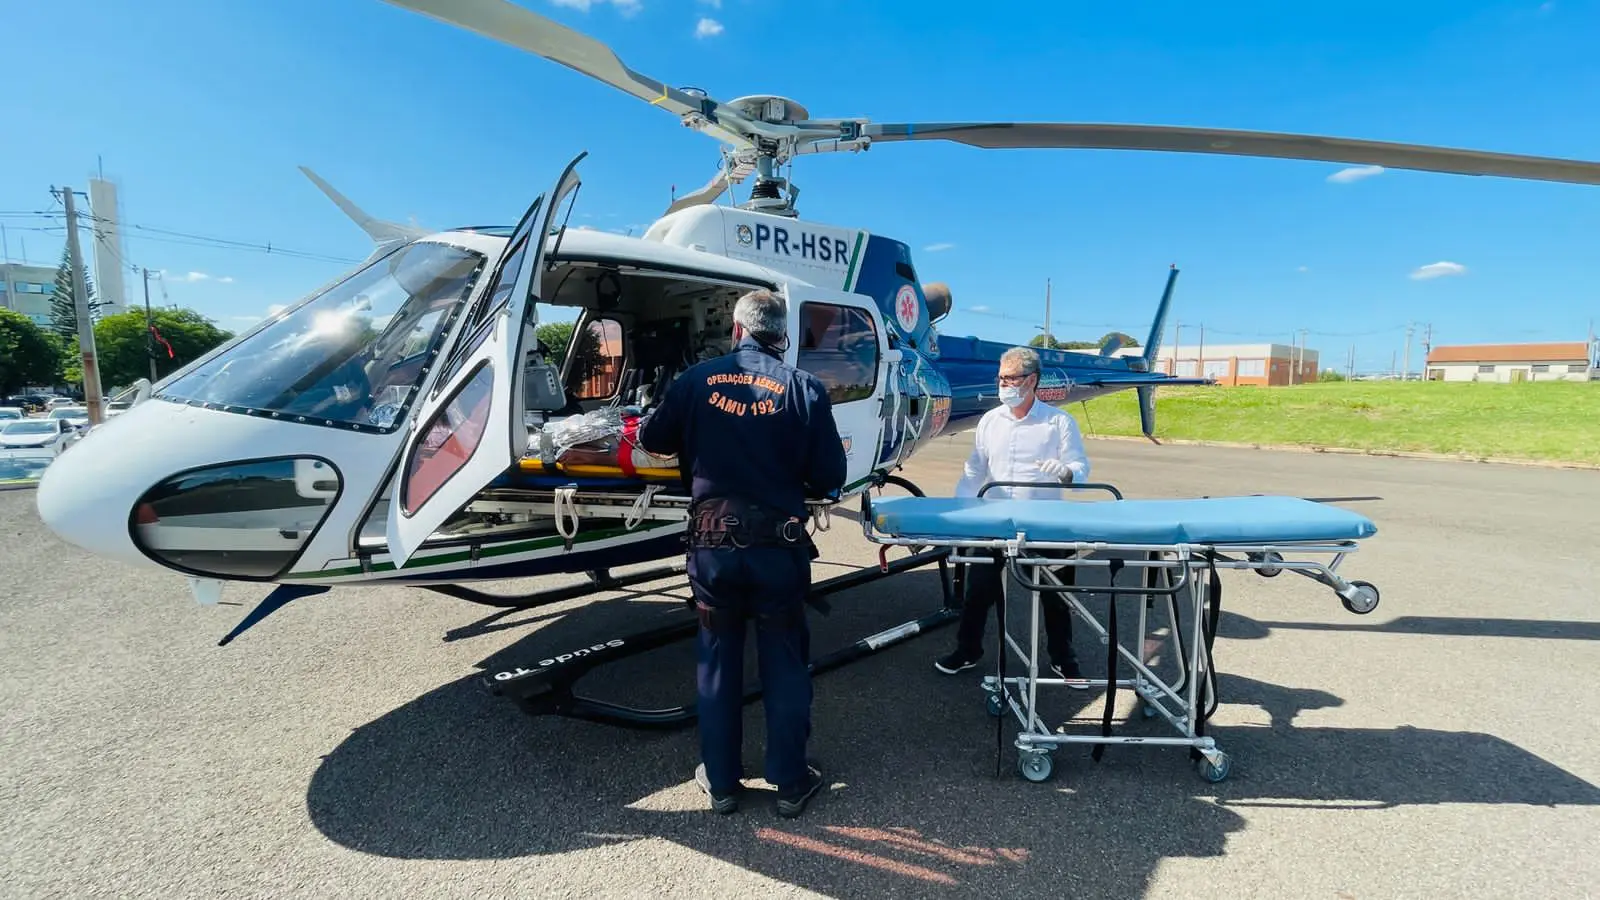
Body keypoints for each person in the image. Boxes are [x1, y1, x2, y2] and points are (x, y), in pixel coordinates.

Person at [638, 288, 847, 818]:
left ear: (736, 330)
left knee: (717, 662)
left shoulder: (695, 380)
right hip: (777, 549)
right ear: (783, 335)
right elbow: (830, 475)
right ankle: (791, 783)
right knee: (785, 663)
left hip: (713, 550)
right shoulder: (803, 388)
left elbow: (653, 439)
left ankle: (723, 782)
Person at [934, 345, 1091, 684]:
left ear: (1031, 380)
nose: (1003, 385)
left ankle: (1063, 657)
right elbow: (974, 471)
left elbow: (1080, 468)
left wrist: (1066, 472)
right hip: (995, 520)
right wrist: (962, 513)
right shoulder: (990, 421)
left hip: (1045, 523)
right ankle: (968, 650)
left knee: (1056, 594)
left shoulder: (1058, 422)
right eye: (1000, 378)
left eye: (1010, 378)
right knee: (978, 591)